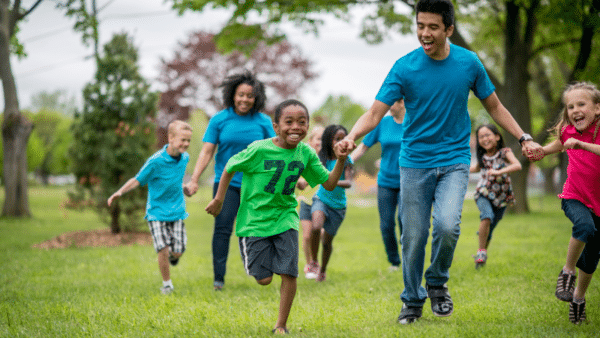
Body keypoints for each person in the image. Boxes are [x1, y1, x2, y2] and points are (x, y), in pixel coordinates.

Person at [338, 0, 543, 324]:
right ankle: (411, 300)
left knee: (448, 226)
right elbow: (375, 112)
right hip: (415, 162)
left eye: (433, 27)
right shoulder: (404, 66)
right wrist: (351, 137)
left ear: (449, 29)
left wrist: (523, 137)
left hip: (454, 159)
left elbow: (495, 106)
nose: (425, 33)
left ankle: (436, 281)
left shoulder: (468, 63)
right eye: (420, 26)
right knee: (414, 235)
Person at [205, 99, 350, 334]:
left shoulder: (305, 153)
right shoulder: (259, 149)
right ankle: (256, 259)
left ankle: (280, 325)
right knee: (264, 280)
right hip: (254, 220)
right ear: (276, 126)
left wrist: (341, 159)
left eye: (302, 122)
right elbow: (230, 166)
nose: (296, 127)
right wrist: (219, 199)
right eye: (289, 122)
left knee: (289, 273)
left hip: (285, 217)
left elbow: (330, 184)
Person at [184, 70, 275, 291]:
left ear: (257, 98)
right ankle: (219, 279)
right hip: (227, 185)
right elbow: (206, 152)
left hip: (256, 186)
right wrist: (194, 179)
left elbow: (275, 152)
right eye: (240, 94)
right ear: (232, 94)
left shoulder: (263, 121)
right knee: (223, 229)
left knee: (257, 228)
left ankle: (258, 269)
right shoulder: (220, 119)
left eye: (250, 96)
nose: (245, 99)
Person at [530, 81, 600, 325]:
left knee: (592, 257)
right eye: (570, 106)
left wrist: (581, 144)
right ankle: (567, 271)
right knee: (584, 227)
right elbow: (561, 143)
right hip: (574, 196)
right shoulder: (568, 130)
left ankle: (578, 298)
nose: (574, 110)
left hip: (599, 204)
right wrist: (542, 151)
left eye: (581, 104)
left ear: (597, 108)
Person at [107, 120, 192, 295]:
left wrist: (185, 188)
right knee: (162, 248)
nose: (186, 144)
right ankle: (167, 284)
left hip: (177, 212)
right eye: (182, 140)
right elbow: (137, 180)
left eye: (188, 141)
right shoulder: (155, 161)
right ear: (170, 138)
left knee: (178, 250)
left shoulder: (185, 158)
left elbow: (175, 180)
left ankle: (173, 257)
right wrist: (120, 192)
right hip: (157, 212)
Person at [351, 100, 405, 271]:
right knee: (386, 224)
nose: (389, 105)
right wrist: (346, 161)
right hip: (386, 182)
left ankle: (410, 259)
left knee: (406, 222)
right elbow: (363, 147)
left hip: (409, 182)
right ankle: (395, 261)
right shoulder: (383, 123)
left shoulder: (414, 122)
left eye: (393, 102)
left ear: (402, 102)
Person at [306, 125, 354, 282]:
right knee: (316, 227)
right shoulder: (323, 156)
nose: (340, 142)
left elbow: (348, 182)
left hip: (338, 206)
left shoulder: (347, 159)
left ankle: (323, 270)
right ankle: (313, 261)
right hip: (321, 198)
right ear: (329, 140)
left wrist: (331, 181)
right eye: (336, 138)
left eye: (343, 138)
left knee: (327, 243)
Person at [470, 124, 522, 269]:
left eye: (488, 135)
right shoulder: (483, 157)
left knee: (489, 229)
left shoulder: (504, 152)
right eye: (481, 136)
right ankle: (481, 251)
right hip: (483, 193)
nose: (485, 139)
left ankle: (481, 254)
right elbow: (474, 168)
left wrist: (499, 172)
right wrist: (458, 169)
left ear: (497, 136)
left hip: (501, 196)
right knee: (486, 216)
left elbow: (517, 165)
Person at [295, 125, 325, 279]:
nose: (320, 142)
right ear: (311, 141)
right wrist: (299, 180)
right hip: (306, 200)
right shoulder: (303, 156)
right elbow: (298, 174)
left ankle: (318, 263)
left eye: (323, 139)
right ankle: (311, 264)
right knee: (306, 236)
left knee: (319, 233)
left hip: (323, 201)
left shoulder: (327, 158)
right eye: (318, 139)